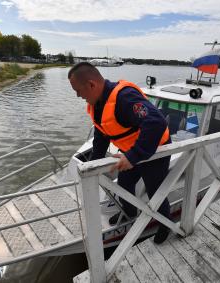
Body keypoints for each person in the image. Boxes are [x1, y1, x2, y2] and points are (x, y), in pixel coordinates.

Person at [68, 62, 171, 244]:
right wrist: (95, 162)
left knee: (156, 192)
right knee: (124, 183)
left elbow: (156, 122)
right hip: (133, 152)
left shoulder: (124, 97)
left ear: (92, 85)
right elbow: (102, 133)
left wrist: (133, 156)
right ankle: (130, 213)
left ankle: (165, 224)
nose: (77, 95)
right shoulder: (98, 104)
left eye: (78, 90)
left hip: (155, 151)